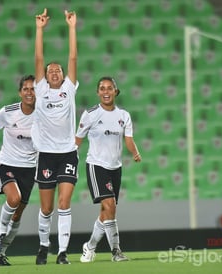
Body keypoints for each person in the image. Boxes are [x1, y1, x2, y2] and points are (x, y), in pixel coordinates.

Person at [75, 76, 142, 262]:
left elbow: (128, 139)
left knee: (107, 212)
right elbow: (77, 140)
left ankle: (89, 247)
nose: (106, 92)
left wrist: (135, 152)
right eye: (102, 88)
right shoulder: (90, 114)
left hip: (115, 168)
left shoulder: (124, 115)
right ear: (98, 92)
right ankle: (116, 252)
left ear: (115, 91)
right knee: (109, 205)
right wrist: (67, 161)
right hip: (97, 166)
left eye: (109, 88)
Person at [32, 8, 79, 265]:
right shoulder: (40, 89)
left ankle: (62, 253)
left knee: (63, 203)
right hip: (47, 156)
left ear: (63, 75)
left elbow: (73, 56)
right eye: (50, 70)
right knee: (47, 208)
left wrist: (71, 27)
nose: (53, 72)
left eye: (58, 70)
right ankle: (43, 245)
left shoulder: (69, 89)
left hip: (68, 153)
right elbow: (38, 58)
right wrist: (40, 29)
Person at [0, 75, 37, 266]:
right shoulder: (8, 111)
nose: (30, 93)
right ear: (20, 92)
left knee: (17, 214)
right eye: (26, 89)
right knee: (13, 198)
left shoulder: (43, 115)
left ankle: (0, 253)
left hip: (30, 169)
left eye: (33, 89)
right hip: (7, 164)